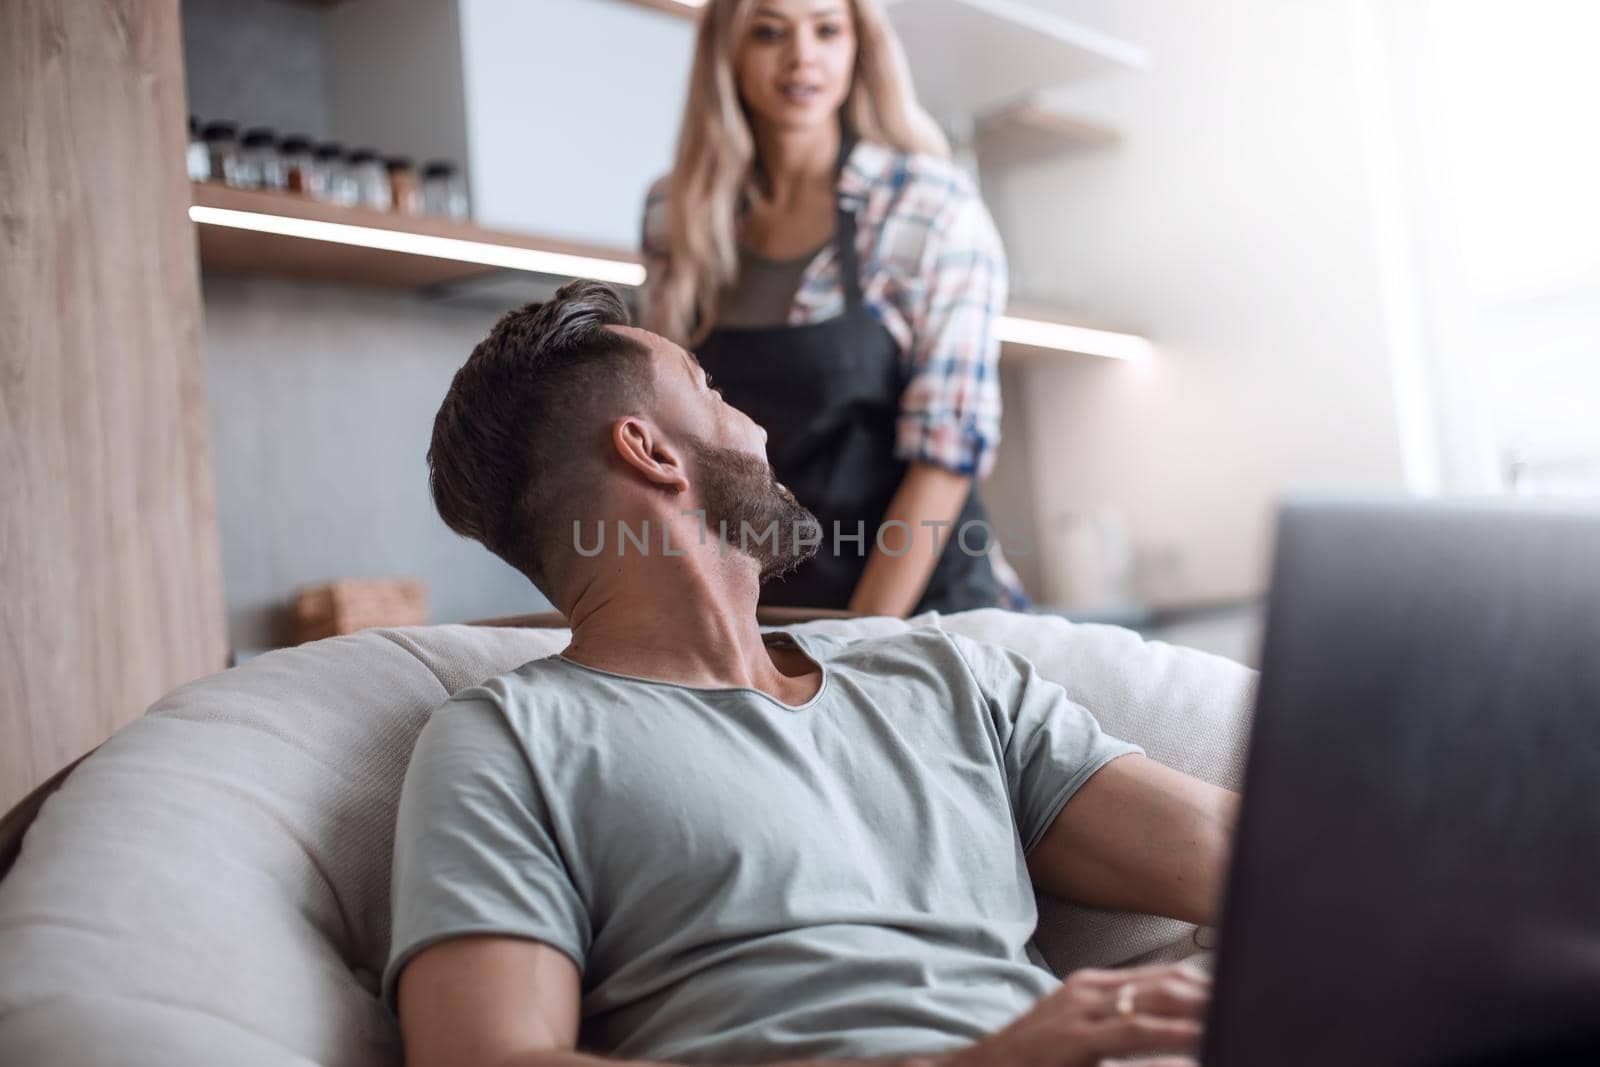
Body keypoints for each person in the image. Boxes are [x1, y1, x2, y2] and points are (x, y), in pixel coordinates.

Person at [388, 280, 1238, 1067]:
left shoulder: (945, 678)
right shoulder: (508, 742)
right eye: (711, 388)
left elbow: (1257, 860)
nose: (755, 425)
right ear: (650, 452)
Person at [640, 0, 1027, 616]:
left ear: (859, 46)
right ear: (727, 52)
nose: (802, 57)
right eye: (769, 32)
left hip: (929, 618)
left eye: (827, 29)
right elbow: (674, 446)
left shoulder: (929, 206)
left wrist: (857, 643)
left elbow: (945, 457)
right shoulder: (676, 213)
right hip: (770, 619)